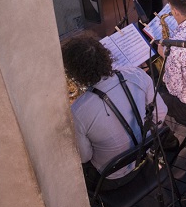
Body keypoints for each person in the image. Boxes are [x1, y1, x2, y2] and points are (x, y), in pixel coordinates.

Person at [63, 33, 170, 191]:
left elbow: (85, 157)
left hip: (112, 178)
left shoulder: (77, 111)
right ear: (105, 56)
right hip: (145, 155)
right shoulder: (136, 74)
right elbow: (161, 113)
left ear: (75, 73)